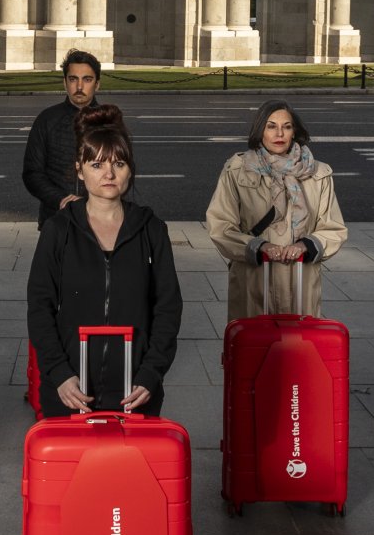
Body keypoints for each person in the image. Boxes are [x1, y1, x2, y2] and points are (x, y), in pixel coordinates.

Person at [27, 105, 181, 417]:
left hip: (134, 390)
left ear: (130, 169)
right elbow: (39, 307)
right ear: (80, 170)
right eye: (97, 164)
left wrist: (151, 373)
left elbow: (167, 307)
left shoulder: (151, 229)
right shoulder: (59, 230)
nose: (108, 174)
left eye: (118, 163)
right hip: (70, 389)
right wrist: (58, 373)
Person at [204, 100, 349, 321]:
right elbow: (221, 226)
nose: (279, 133)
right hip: (254, 280)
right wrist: (258, 246)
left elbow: (333, 228)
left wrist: (307, 245)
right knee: (252, 348)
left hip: (301, 281)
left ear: (294, 131)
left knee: (298, 349)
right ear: (260, 129)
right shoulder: (237, 170)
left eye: (287, 126)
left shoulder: (318, 173)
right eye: (271, 126)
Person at [21, 49, 102, 222]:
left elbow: (123, 172)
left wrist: (92, 203)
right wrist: (62, 200)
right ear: (65, 83)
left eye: (87, 79)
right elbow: (32, 173)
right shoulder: (47, 119)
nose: (79, 87)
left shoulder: (109, 121)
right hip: (56, 218)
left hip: (101, 219)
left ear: (97, 84)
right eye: (73, 79)